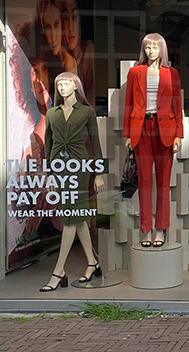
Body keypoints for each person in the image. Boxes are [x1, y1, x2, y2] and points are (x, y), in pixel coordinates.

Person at [40, 72, 106, 291]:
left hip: (79, 168)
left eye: (66, 83)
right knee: (77, 218)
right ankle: (93, 263)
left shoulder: (87, 112)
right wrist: (49, 173)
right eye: (59, 84)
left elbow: (95, 144)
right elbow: (48, 146)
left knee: (70, 218)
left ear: (75, 86)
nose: (62, 87)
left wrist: (99, 173)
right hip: (59, 168)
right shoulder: (52, 113)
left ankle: (58, 271)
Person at [123, 33, 183, 248]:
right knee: (145, 182)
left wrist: (178, 135)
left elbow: (177, 105)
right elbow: (129, 103)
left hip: (165, 129)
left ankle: (161, 228)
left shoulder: (171, 73)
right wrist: (128, 133)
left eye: (155, 47)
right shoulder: (135, 72)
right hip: (141, 129)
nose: (151, 51)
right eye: (147, 47)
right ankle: (146, 229)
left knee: (163, 183)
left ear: (162, 49)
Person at [61, 0, 95, 106]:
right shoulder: (62, 56)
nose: (70, 27)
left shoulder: (87, 49)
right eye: (65, 18)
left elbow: (90, 94)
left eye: (74, 17)